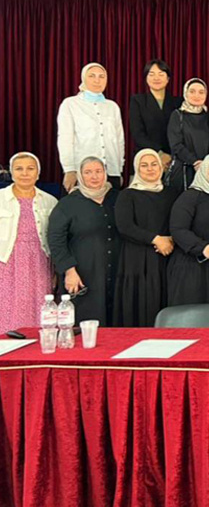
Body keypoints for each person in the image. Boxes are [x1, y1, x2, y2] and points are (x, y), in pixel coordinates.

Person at [47, 157, 120, 325]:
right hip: (83, 272)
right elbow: (56, 240)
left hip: (117, 270)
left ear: (105, 173)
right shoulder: (67, 204)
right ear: (80, 175)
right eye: (88, 172)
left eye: (98, 171)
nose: (94, 176)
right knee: (87, 322)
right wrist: (69, 270)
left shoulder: (118, 198)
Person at [113, 149, 179, 326]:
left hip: (166, 255)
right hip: (137, 258)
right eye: (144, 165)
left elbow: (179, 222)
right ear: (137, 168)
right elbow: (125, 226)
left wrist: (171, 239)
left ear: (161, 167)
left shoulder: (172, 193)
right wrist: (156, 239)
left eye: (154, 164)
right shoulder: (127, 195)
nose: (150, 169)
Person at [0, 152, 57, 331]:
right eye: (19, 169)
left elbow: (55, 236)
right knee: (7, 305)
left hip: (39, 260)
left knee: (40, 304)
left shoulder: (49, 201)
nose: (25, 173)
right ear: (11, 173)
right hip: (6, 260)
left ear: (38, 173)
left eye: (30, 168)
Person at [167, 153, 209, 307]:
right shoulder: (189, 197)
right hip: (191, 267)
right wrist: (203, 248)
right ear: (204, 169)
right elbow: (178, 229)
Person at [57, 63, 125, 192]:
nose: (97, 80)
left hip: (111, 171)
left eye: (101, 76)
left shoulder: (112, 106)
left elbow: (119, 140)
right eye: (92, 76)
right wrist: (69, 169)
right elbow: (65, 139)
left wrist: (119, 169)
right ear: (83, 78)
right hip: (83, 171)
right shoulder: (70, 104)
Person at [128, 59, 182, 168]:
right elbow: (138, 133)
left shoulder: (178, 102)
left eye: (161, 74)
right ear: (146, 78)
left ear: (168, 78)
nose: (156, 78)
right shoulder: (138, 101)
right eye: (151, 74)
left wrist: (171, 155)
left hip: (173, 158)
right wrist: (159, 153)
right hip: (147, 157)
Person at [167, 78, 209, 191]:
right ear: (185, 93)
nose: (197, 95)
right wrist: (195, 162)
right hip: (183, 170)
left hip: (206, 170)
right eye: (192, 91)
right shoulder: (177, 115)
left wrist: (206, 164)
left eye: (201, 92)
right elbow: (176, 145)